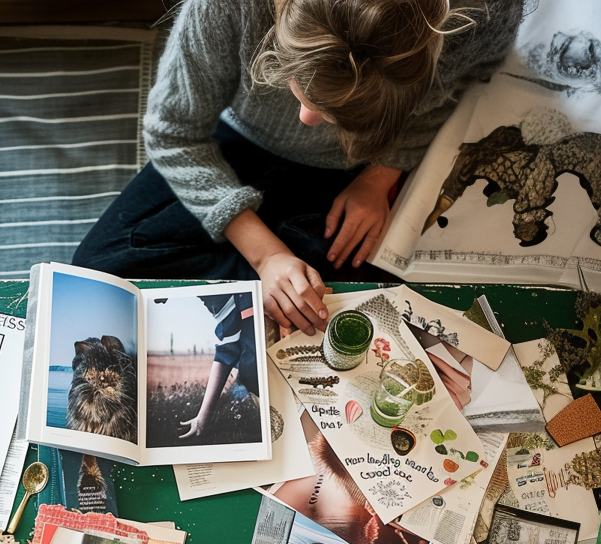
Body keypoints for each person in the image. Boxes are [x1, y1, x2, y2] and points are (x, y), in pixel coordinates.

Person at [72, 0, 523, 335]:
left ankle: (270, 287)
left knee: (367, 313)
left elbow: (459, 83)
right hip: (232, 147)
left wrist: (380, 174)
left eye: (333, 111)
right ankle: (272, 281)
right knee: (98, 276)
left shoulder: (483, 13)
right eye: (304, 94)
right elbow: (173, 131)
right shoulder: (227, 8)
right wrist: (266, 254)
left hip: (350, 175)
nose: (308, 120)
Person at [179, 293, 259, 438]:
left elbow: (227, 350)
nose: (204, 302)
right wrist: (202, 417)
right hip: (254, 392)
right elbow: (227, 350)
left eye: (204, 298)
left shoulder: (246, 295)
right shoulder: (230, 307)